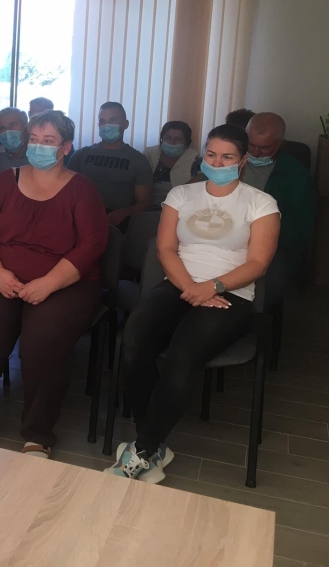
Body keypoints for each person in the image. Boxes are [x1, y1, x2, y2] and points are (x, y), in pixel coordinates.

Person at [107, 123, 280, 484]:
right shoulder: (182, 194)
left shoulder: (260, 203)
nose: (218, 163)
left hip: (231, 294)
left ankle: (143, 450)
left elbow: (258, 264)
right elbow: (165, 248)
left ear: (243, 161)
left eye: (228, 157)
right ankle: (151, 443)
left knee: (183, 355)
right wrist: (191, 288)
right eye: (212, 155)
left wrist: (212, 286)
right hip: (179, 285)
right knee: (134, 341)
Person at [0, 110, 108, 458]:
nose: (39, 146)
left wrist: (49, 284)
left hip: (64, 281)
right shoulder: (6, 179)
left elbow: (92, 244)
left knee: (44, 341)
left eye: (49, 140)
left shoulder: (82, 189)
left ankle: (38, 432)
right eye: (35, 139)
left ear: (66, 147)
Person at [242, 112, 315, 309]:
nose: (255, 153)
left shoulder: (296, 175)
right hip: (223, 233)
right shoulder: (231, 161)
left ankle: (248, 317)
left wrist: (258, 237)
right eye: (251, 144)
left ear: (281, 144)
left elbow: (298, 229)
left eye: (265, 147)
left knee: (268, 282)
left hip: (269, 244)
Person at [68, 101, 153, 228]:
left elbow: (144, 203)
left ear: (125, 124)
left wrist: (125, 212)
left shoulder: (138, 160)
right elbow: (65, 190)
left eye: (112, 120)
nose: (106, 125)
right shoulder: (81, 155)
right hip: (80, 217)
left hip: (118, 222)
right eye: (102, 121)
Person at [144, 120, 202, 207]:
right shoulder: (149, 155)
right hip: (150, 206)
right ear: (162, 139)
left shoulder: (195, 159)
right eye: (168, 138)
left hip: (181, 207)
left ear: (186, 142)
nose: (172, 143)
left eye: (178, 139)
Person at [0, 107, 30, 196]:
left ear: (26, 127)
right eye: (2, 128)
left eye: (13, 125)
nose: (7, 131)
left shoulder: (41, 160)